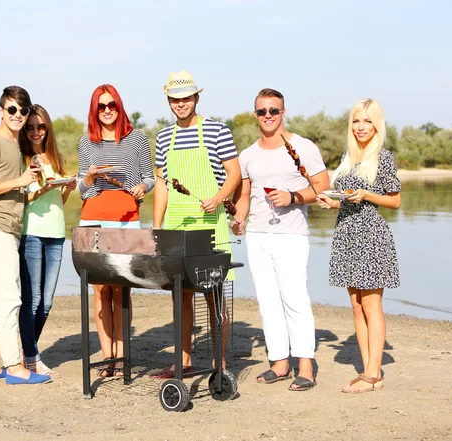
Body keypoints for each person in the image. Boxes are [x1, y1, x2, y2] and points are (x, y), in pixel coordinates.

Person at [231, 88, 329, 391]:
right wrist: (238, 219)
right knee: (268, 301)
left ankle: (305, 364)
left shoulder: (302, 147)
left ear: (283, 113)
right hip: (258, 235)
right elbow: (244, 195)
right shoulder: (248, 155)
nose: (268, 116)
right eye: (262, 111)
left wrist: (293, 196)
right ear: (256, 114)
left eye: (274, 110)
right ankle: (279, 362)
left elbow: (322, 188)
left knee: (295, 298)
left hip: (291, 234)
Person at [152, 71, 241, 378]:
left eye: (186, 98)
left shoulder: (218, 131)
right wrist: (157, 226)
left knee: (215, 297)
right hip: (176, 225)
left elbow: (234, 174)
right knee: (181, 296)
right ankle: (184, 359)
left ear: (196, 98)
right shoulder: (164, 137)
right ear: (169, 101)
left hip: (210, 224)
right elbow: (162, 184)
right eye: (175, 100)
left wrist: (218, 198)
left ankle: (220, 363)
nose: (181, 104)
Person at [317, 99, 401, 393]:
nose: (361, 126)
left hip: (371, 236)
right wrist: (331, 200)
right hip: (346, 234)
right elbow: (345, 195)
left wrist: (366, 195)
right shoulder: (348, 157)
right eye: (356, 120)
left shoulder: (384, 157)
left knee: (371, 304)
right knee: (355, 306)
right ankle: (369, 372)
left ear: (377, 124)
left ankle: (373, 374)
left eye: (367, 121)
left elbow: (395, 201)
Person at [0, 86, 51, 385]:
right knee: (10, 299)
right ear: (1, 111)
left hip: (4, 230)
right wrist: (18, 179)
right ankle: (15, 367)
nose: (18, 115)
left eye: (23, 110)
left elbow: (11, 187)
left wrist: (30, 178)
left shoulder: (14, 145)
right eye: (12, 110)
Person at [77, 84, 155, 377]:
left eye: (112, 105)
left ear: (119, 107)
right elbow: (84, 192)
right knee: (100, 291)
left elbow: (150, 177)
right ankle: (107, 357)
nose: (107, 110)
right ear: (94, 110)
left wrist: (141, 186)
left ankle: (123, 356)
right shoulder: (87, 143)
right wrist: (87, 177)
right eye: (101, 106)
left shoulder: (137, 139)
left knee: (122, 290)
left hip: (126, 220)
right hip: (93, 220)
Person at [18, 104, 77, 378]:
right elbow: (23, 200)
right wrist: (42, 188)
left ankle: (25, 350)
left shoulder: (56, 157)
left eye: (40, 127)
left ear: (47, 128)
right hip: (31, 232)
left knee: (47, 302)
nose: (35, 132)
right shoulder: (22, 159)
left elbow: (60, 201)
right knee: (33, 300)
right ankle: (31, 356)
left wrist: (67, 188)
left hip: (56, 234)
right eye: (30, 127)